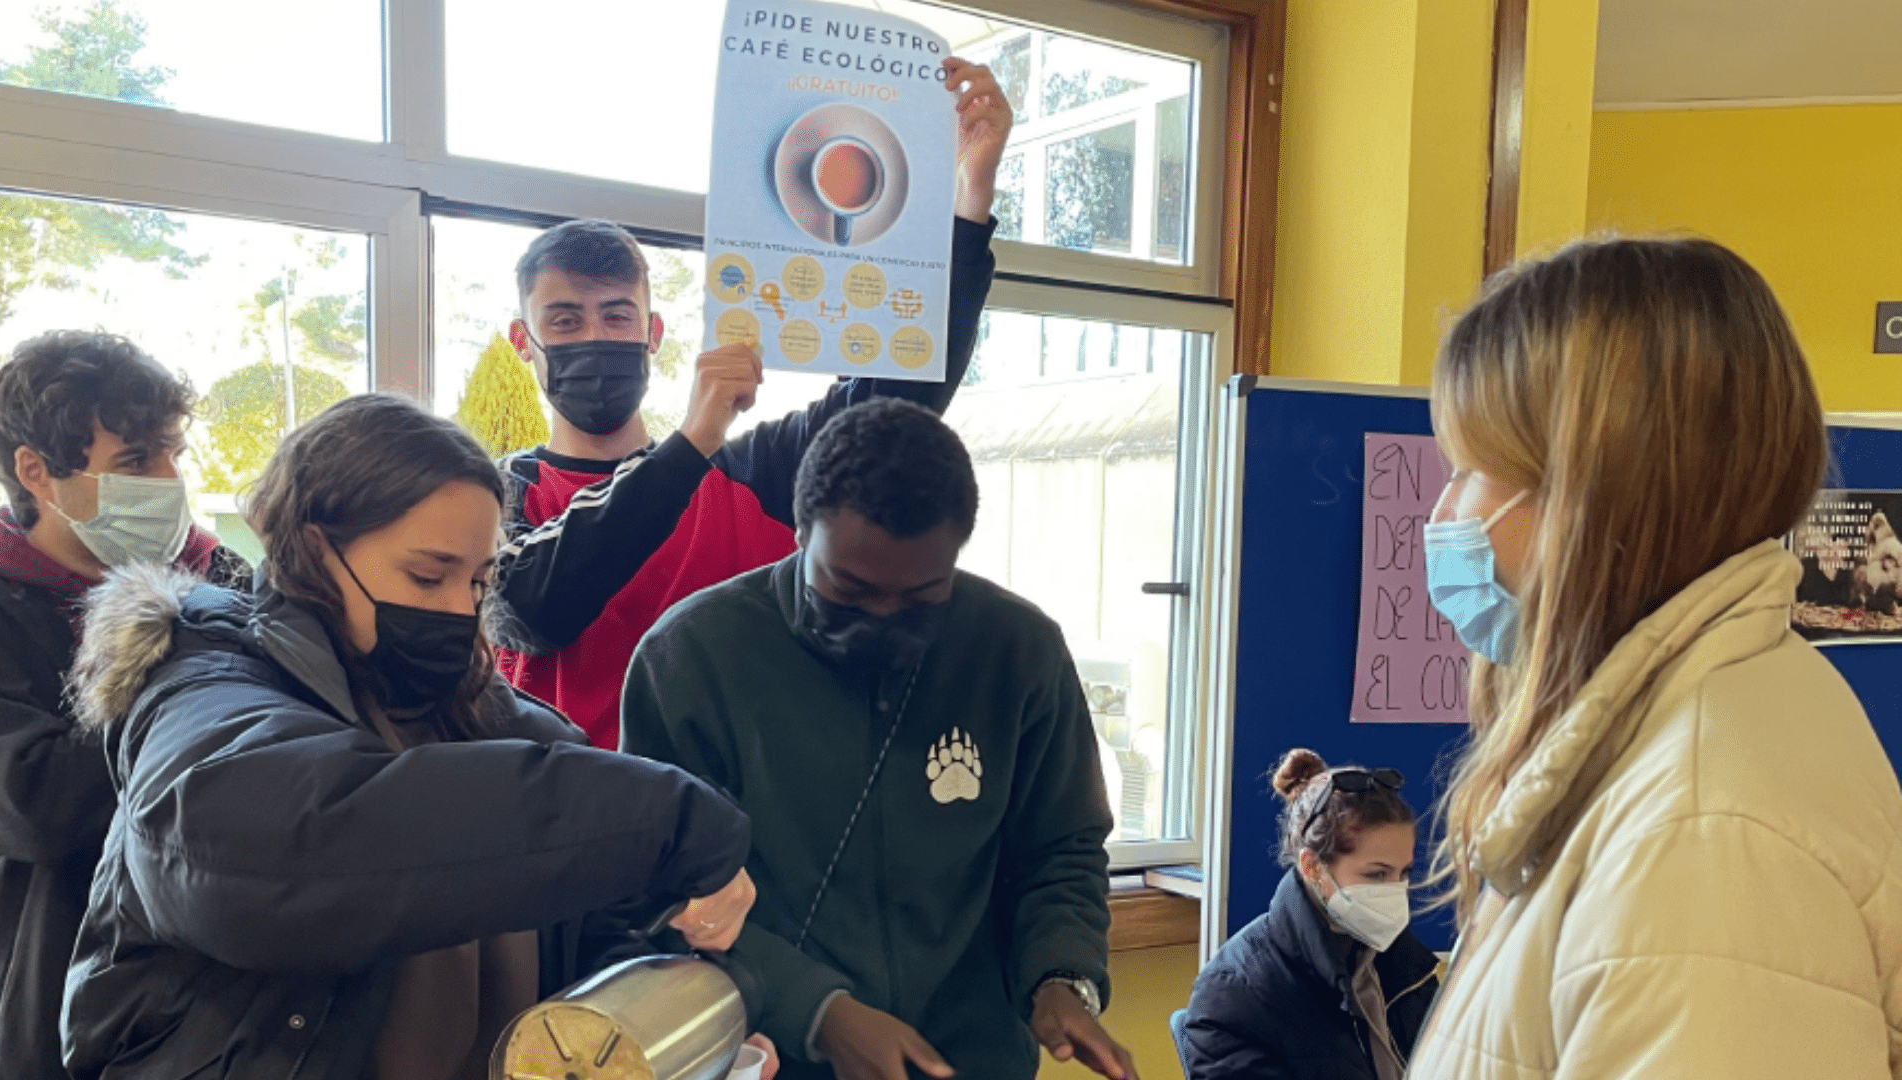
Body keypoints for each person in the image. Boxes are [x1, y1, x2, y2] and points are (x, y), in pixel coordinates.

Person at [60, 394, 757, 1079]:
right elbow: (254, 848)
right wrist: (667, 820)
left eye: (479, 581)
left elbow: (591, 909)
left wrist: (671, 1015)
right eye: (428, 577)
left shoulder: (478, 713)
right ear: (315, 550)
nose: (460, 611)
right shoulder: (204, 685)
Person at [1405, 238, 1902, 1078]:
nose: (1446, 511)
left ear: (1593, 491)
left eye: (1474, 469)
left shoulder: (1705, 833)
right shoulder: (1691, 728)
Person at [495, 58, 1012, 749]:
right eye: (565, 320)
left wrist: (968, 200)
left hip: (732, 814)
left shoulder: (748, 476)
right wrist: (690, 442)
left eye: (617, 315)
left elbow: (899, 391)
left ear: (652, 333)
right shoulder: (500, 494)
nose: (596, 336)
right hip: (579, 812)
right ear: (523, 341)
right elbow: (534, 609)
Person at [623, 397, 1136, 1080]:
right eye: (850, 588)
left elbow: (1061, 848)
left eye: (921, 596)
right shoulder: (690, 659)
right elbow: (667, 894)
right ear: (800, 532)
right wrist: (819, 1013)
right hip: (770, 1058)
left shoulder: (1017, 652)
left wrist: (1061, 977)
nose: (883, 614)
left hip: (970, 1060)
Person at [0, 331, 252, 1080]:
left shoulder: (221, 576)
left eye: (172, 455)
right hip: (51, 987)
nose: (167, 481)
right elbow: (32, 805)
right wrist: (193, 702)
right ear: (36, 471)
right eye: (135, 462)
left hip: (215, 994)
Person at [1180, 749, 1439, 1080]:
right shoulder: (1233, 994)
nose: (1395, 890)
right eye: (1376, 874)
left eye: (1404, 873)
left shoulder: (1405, 966)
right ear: (1313, 867)